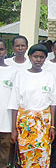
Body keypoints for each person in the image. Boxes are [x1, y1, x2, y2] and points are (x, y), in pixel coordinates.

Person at [8, 44, 56, 167]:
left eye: (42, 57)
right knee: (26, 156)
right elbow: (14, 103)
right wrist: (13, 129)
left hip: (44, 125)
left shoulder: (49, 76)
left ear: (45, 59)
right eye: (36, 56)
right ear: (30, 57)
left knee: (43, 156)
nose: (38, 60)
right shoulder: (21, 75)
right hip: (25, 125)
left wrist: (52, 126)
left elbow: (53, 103)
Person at [0, 39, 17, 167]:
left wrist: (13, 128)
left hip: (5, 123)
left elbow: (15, 99)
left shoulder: (13, 71)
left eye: (1, 49)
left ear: (6, 51)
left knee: (4, 159)